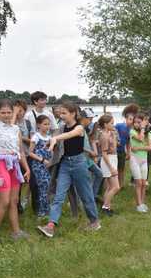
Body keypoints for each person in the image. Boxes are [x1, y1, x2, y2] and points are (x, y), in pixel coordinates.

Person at [37, 102, 101, 238]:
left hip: (79, 164)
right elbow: (58, 141)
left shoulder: (79, 127)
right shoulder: (61, 127)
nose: (61, 115)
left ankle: (94, 222)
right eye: (60, 113)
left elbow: (71, 134)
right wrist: (50, 143)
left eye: (64, 113)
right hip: (65, 164)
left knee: (86, 195)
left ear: (73, 114)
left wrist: (55, 138)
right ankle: (50, 226)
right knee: (59, 196)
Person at [0, 100, 31, 248]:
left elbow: (20, 151)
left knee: (14, 201)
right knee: (3, 201)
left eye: (8, 112)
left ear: (12, 113)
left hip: (14, 164)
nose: (6, 115)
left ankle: (16, 232)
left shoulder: (16, 129)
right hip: (0, 164)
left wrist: (27, 167)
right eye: (3, 112)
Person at [28, 115, 53, 218]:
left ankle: (47, 209)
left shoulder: (50, 137)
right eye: (45, 124)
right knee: (42, 187)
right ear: (38, 125)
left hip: (48, 165)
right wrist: (42, 160)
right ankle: (41, 211)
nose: (47, 126)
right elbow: (30, 153)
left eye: (48, 124)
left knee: (47, 187)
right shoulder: (36, 137)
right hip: (38, 166)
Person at [13, 99, 35, 213]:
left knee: (31, 181)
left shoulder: (27, 123)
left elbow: (32, 139)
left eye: (20, 110)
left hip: (27, 155)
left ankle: (34, 206)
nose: (18, 113)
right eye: (16, 110)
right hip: (15, 157)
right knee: (18, 183)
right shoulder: (11, 122)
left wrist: (23, 139)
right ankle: (17, 206)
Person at [97, 114, 121, 215]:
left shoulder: (111, 133)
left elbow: (115, 146)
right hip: (108, 160)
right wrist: (111, 168)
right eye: (111, 123)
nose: (113, 125)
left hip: (113, 158)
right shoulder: (104, 135)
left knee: (110, 187)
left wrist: (114, 136)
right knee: (116, 187)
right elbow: (104, 153)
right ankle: (105, 207)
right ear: (105, 124)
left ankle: (107, 206)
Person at [79, 108, 104, 200]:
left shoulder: (86, 128)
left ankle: (92, 197)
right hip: (81, 159)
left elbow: (90, 141)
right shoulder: (78, 129)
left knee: (99, 174)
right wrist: (91, 152)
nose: (91, 121)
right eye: (89, 119)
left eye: (92, 119)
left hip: (87, 158)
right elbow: (77, 146)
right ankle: (83, 200)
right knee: (84, 180)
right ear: (83, 118)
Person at [130, 114, 151, 212]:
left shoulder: (149, 133)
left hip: (144, 160)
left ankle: (143, 203)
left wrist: (138, 148)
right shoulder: (132, 131)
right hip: (134, 160)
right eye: (135, 122)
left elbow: (150, 148)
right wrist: (143, 128)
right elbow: (140, 138)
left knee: (144, 183)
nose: (137, 124)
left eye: (139, 122)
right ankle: (138, 205)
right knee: (138, 183)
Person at [114, 107, 136, 189]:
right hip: (114, 151)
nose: (131, 121)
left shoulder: (131, 130)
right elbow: (112, 132)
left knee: (121, 168)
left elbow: (128, 142)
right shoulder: (119, 126)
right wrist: (116, 141)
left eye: (132, 120)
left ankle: (121, 184)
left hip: (122, 151)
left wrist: (128, 152)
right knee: (114, 168)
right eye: (130, 119)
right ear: (126, 119)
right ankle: (114, 185)